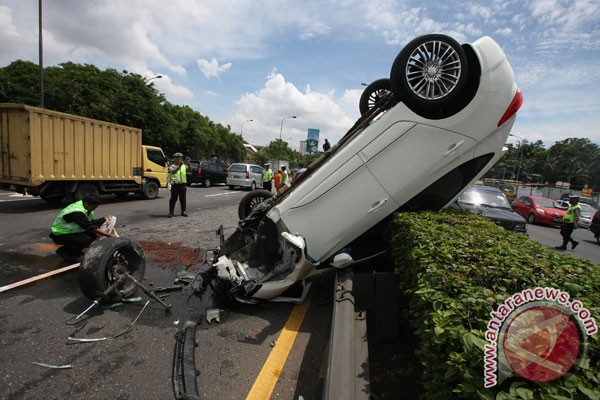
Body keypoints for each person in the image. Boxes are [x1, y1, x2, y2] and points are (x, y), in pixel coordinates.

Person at [49, 194, 117, 263]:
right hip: (60, 235)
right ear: (86, 204)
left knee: (94, 236)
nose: (94, 209)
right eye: (93, 207)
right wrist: (109, 235)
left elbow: (89, 222)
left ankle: (75, 251)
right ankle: (65, 252)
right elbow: (90, 227)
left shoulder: (85, 208)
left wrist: (104, 219)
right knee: (86, 240)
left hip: (71, 232)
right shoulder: (76, 211)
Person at [168, 152, 188, 217]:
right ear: (174, 159)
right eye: (177, 158)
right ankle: (171, 212)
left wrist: (189, 164)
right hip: (175, 185)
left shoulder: (184, 166)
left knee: (183, 199)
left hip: (182, 184)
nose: (179, 159)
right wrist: (179, 166)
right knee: (173, 199)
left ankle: (183, 211)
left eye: (180, 158)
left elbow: (189, 170)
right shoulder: (171, 166)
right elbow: (173, 171)